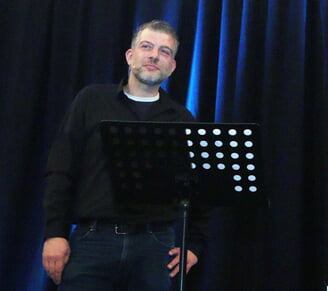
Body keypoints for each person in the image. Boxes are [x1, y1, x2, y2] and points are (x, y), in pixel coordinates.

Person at [42, 20, 209, 290]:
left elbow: (201, 189)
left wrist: (194, 245)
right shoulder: (91, 101)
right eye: (147, 47)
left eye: (165, 51)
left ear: (172, 66)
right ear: (130, 56)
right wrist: (54, 234)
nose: (154, 55)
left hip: (155, 247)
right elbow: (61, 169)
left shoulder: (182, 119)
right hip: (92, 240)